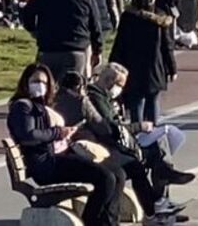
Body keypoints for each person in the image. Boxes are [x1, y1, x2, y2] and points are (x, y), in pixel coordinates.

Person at [53, 70, 188, 223]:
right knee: (123, 170)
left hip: (82, 149)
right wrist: (135, 127)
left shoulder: (58, 100)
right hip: (85, 150)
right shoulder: (85, 100)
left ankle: (155, 205)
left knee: (138, 162)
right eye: (119, 85)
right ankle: (153, 206)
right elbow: (103, 127)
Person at [7, 63, 125, 226]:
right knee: (105, 178)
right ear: (25, 82)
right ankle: (92, 222)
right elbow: (28, 135)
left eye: (44, 82)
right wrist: (58, 133)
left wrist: (66, 134)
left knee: (118, 174)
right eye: (35, 81)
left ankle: (110, 222)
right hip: (46, 165)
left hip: (59, 156)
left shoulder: (41, 106)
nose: (40, 85)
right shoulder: (22, 107)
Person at [22, 0, 104, 81]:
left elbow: (26, 14)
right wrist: (97, 50)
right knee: (71, 92)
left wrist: (34, 31)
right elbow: (95, 26)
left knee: (46, 90)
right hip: (75, 50)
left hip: (47, 49)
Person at [109, 0, 177, 123]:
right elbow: (167, 46)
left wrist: (113, 63)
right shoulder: (160, 19)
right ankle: (152, 134)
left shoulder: (128, 17)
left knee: (136, 102)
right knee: (153, 101)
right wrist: (172, 68)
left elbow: (119, 44)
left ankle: (137, 135)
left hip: (132, 66)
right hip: (154, 67)